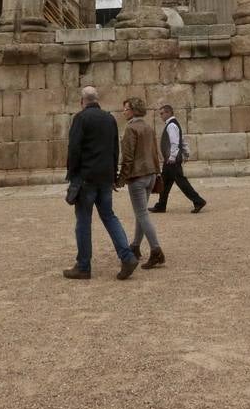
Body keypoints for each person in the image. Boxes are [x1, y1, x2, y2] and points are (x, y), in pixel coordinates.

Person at [64, 86, 138, 280]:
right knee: (109, 216)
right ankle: (127, 256)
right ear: (97, 100)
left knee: (83, 221)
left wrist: (72, 175)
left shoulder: (80, 119)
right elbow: (115, 149)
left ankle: (83, 266)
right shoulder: (109, 119)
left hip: (86, 178)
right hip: (105, 177)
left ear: (82, 101)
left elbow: (74, 149)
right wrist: (113, 175)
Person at [117, 97, 165, 269]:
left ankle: (156, 250)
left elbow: (128, 158)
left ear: (133, 110)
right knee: (141, 212)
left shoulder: (131, 129)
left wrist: (121, 178)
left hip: (138, 177)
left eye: (126, 108)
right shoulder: (148, 127)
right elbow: (154, 152)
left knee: (142, 214)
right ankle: (136, 246)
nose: (124, 111)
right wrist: (157, 173)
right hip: (151, 174)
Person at [150, 104, 205, 214]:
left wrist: (172, 157)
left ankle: (198, 201)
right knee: (165, 183)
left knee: (181, 182)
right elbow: (182, 140)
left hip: (172, 161)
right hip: (170, 160)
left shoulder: (171, 125)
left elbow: (175, 142)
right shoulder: (174, 124)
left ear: (168, 112)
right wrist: (186, 152)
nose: (161, 116)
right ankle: (161, 205)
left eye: (162, 113)